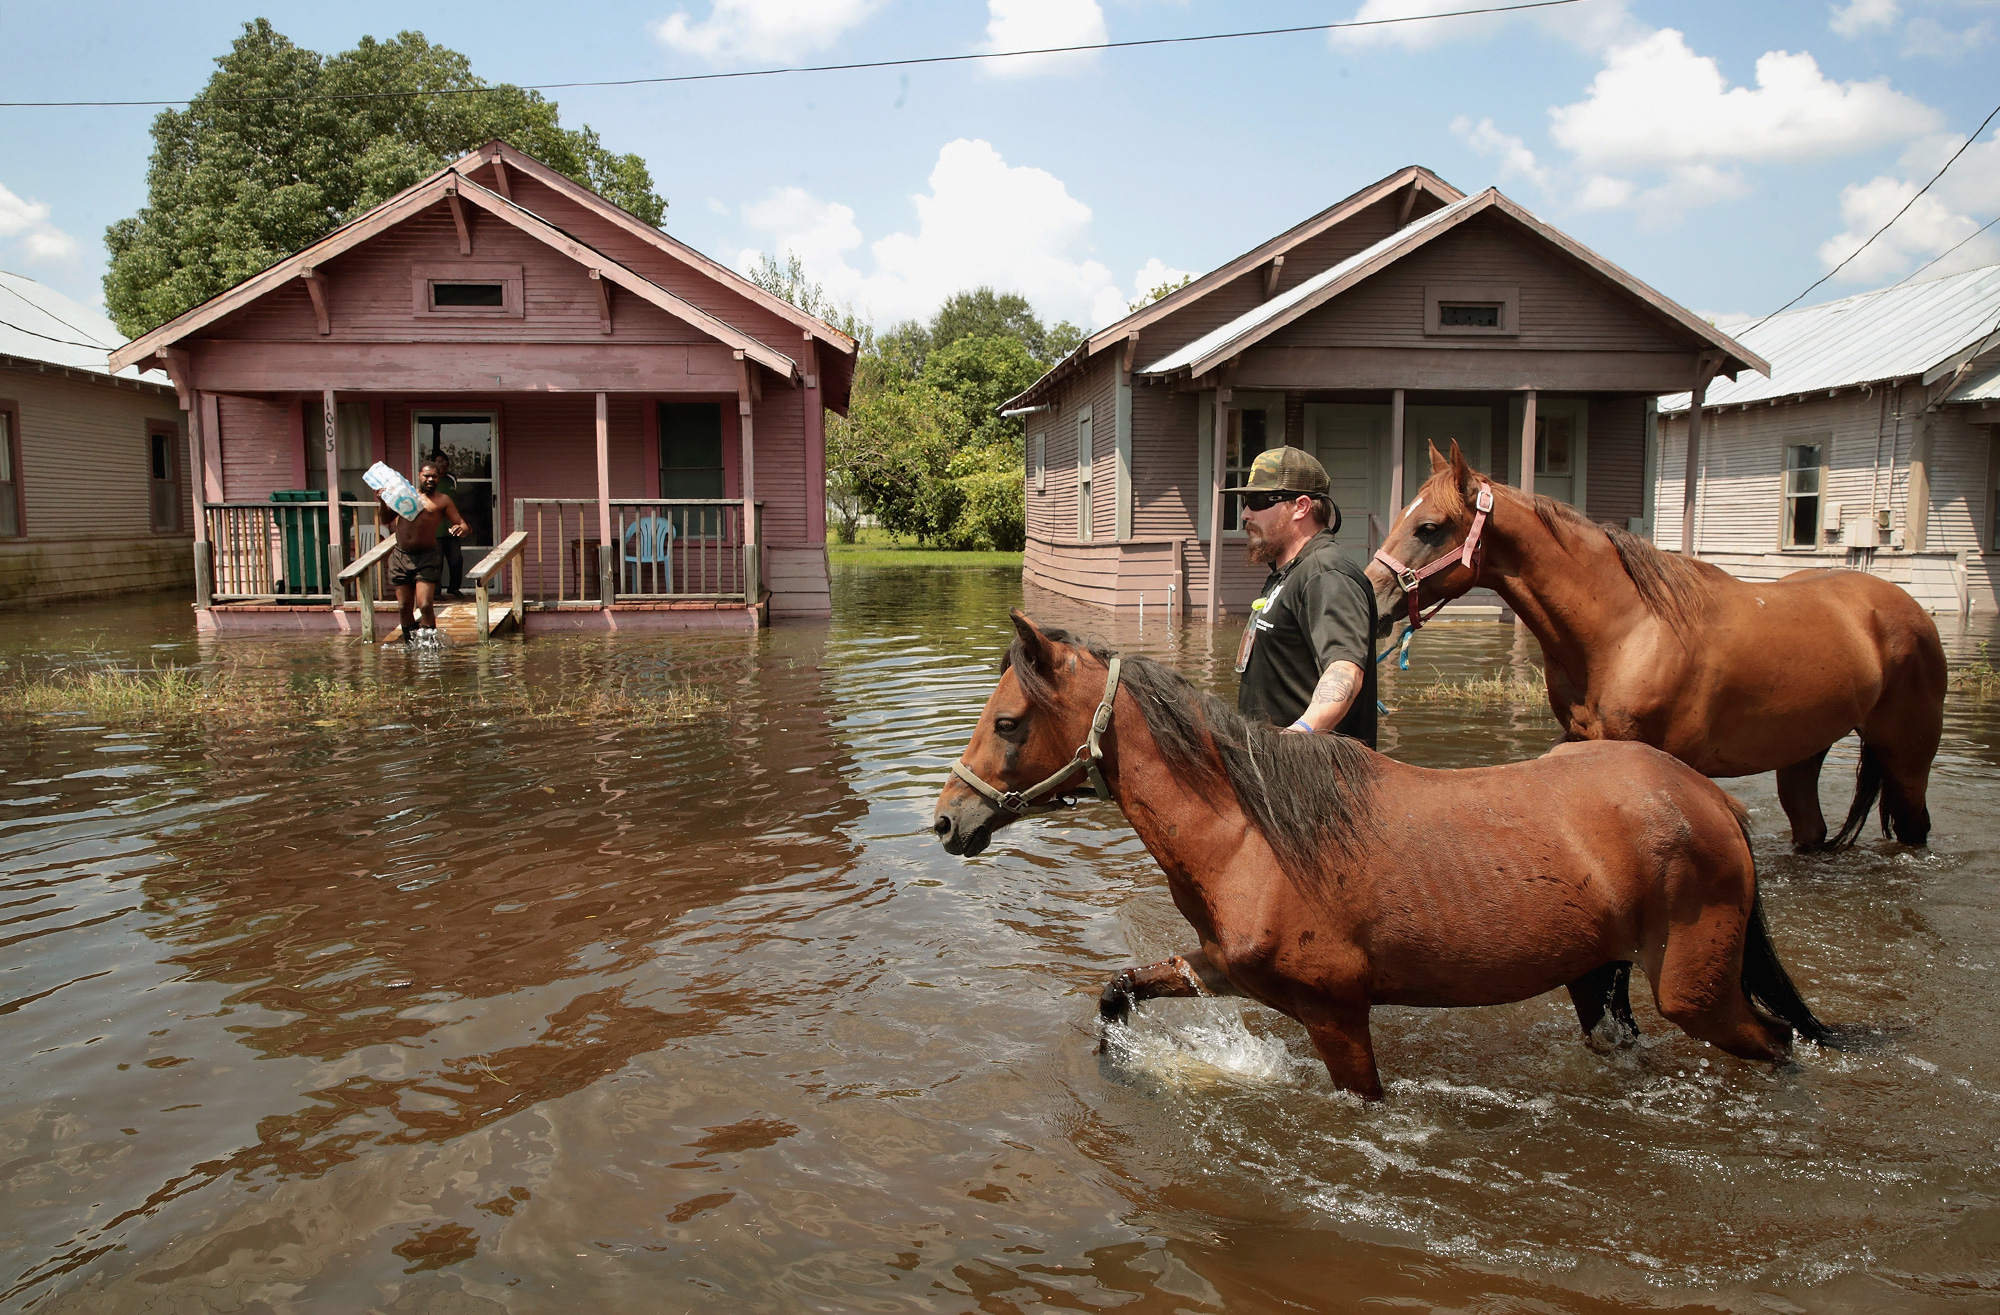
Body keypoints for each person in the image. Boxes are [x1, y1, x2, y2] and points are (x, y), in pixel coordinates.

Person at [1225, 445, 1378, 748]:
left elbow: (1345, 669)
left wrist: (1296, 737)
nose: (1245, 514)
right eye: (1245, 501)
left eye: (1257, 501)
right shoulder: (1288, 572)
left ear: (1301, 506)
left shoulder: (1326, 573)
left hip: (1316, 778)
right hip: (1272, 769)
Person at [379, 458, 468, 639]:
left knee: (425, 604)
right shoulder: (406, 496)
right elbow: (385, 519)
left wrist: (461, 529)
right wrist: (383, 500)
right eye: (426, 476)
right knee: (404, 606)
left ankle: (429, 645)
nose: (430, 480)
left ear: (439, 478)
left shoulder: (442, 501)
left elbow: (464, 525)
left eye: (434, 477)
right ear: (419, 476)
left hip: (426, 557)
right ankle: (410, 643)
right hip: (401, 556)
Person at [430, 450, 467, 600]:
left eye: (444, 461)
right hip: (436, 530)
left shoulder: (452, 479)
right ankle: (436, 592)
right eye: (438, 462)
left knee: (456, 559)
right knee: (437, 563)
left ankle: (454, 588)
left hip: (452, 528)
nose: (442, 464)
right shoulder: (431, 482)